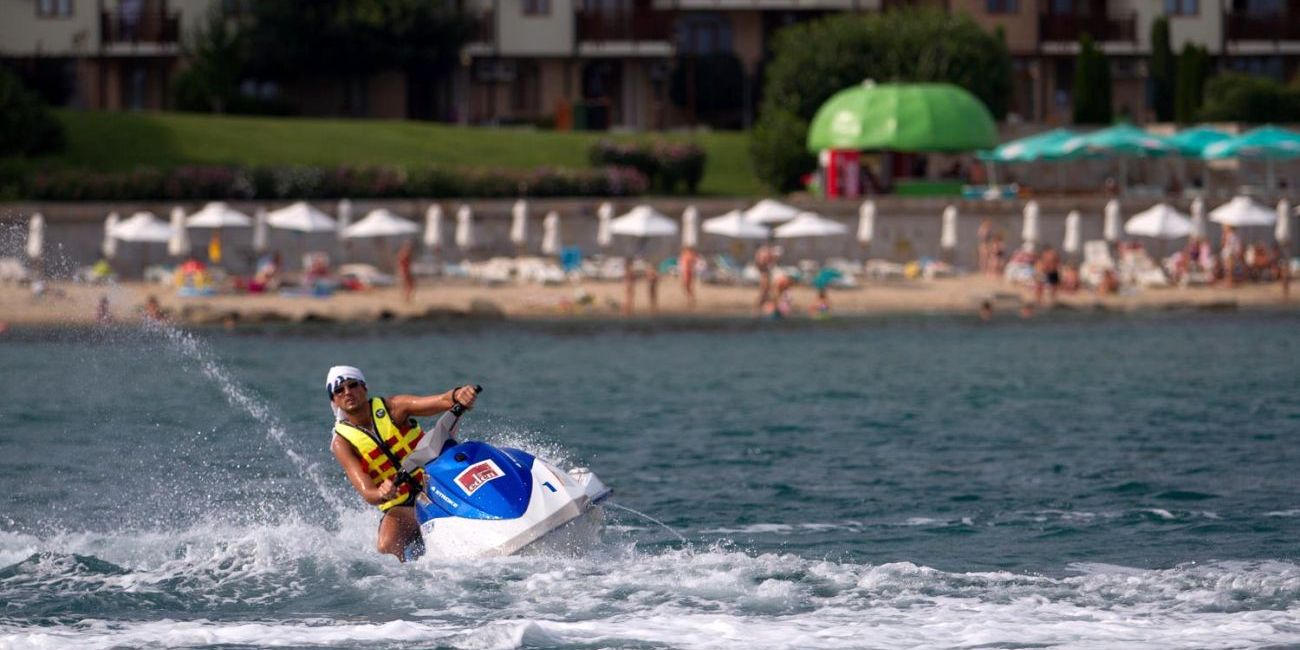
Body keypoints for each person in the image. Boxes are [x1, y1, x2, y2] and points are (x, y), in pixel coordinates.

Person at [327, 366, 478, 562]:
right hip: (407, 508)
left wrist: (459, 394)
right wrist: (381, 493)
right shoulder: (342, 443)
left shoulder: (394, 408)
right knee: (386, 545)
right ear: (334, 401)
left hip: (440, 483)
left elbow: (443, 400)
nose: (347, 392)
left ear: (364, 387)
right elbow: (368, 492)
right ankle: (408, 574)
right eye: (339, 390)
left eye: (353, 385)